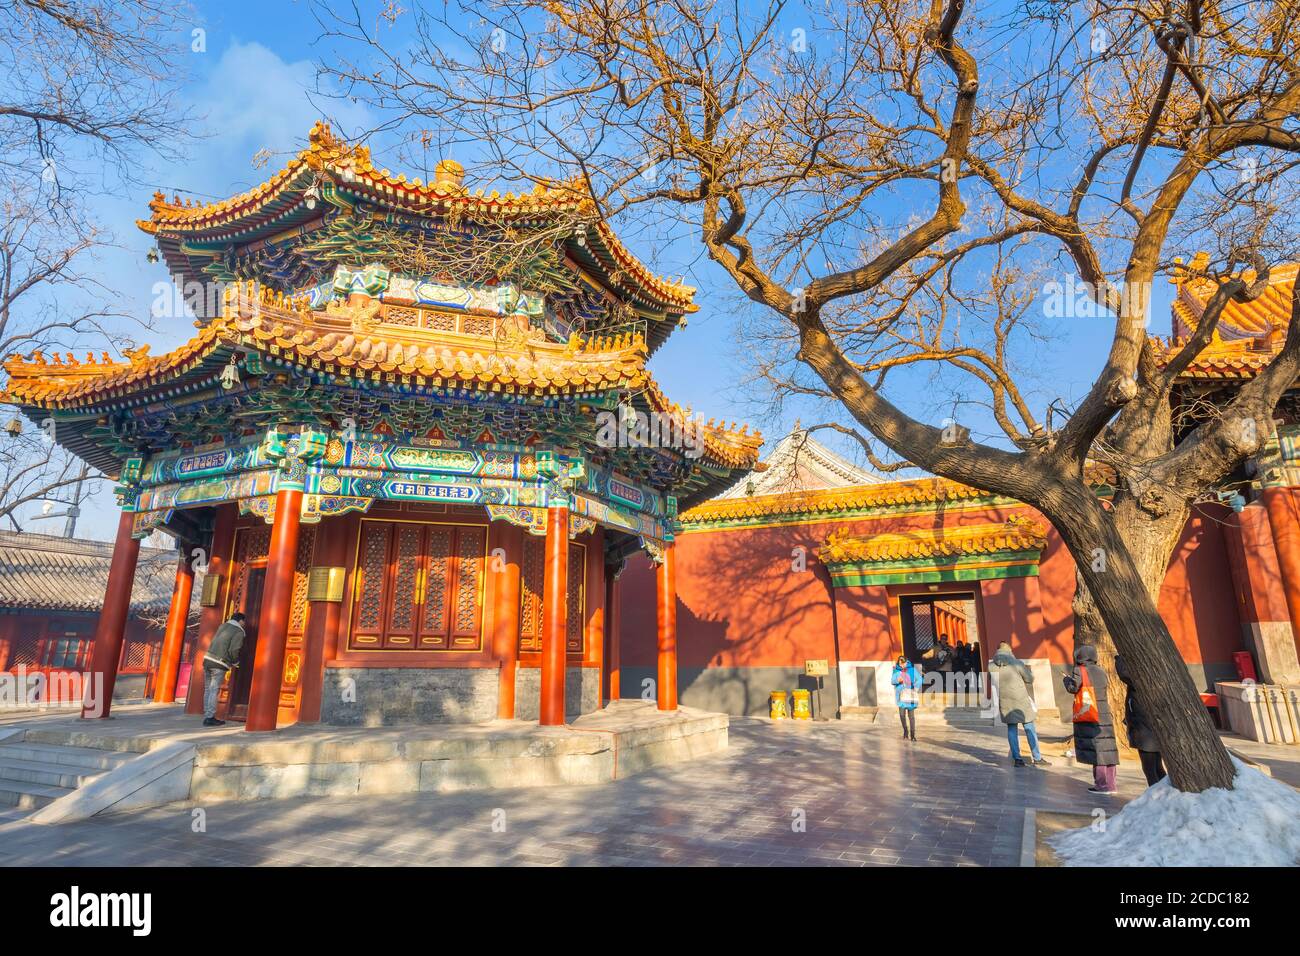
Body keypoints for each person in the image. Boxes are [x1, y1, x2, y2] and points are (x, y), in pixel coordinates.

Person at [1062, 644, 1120, 793]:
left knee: (1097, 751)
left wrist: (1067, 681)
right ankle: (1112, 785)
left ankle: (1101, 785)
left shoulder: (1079, 670)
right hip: (1104, 713)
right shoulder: (1101, 671)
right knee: (1108, 750)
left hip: (1089, 712)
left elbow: (1073, 688)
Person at [988, 641, 1050, 767]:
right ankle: (1037, 758)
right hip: (1021, 700)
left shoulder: (991, 666)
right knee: (1029, 727)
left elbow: (992, 680)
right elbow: (1029, 679)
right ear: (1009, 650)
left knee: (1012, 729)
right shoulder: (1016, 663)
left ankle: (1017, 759)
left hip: (1005, 700)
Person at [1116, 654, 1166, 786]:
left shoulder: (1142, 680)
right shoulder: (1157, 677)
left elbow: (1124, 675)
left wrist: (1121, 658)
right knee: (1157, 766)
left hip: (1144, 729)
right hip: (1151, 728)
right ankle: (1163, 794)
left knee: (1150, 769)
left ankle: (1156, 795)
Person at [201, 612, 246, 726]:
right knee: (214, 690)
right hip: (219, 662)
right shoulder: (239, 631)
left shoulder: (222, 626)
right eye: (244, 621)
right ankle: (210, 717)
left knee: (208, 688)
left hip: (207, 659)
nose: (244, 624)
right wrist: (235, 662)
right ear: (240, 620)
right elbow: (234, 649)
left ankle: (207, 714)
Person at [890, 654, 922, 741]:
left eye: (903, 663)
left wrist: (915, 687)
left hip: (910, 694)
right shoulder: (896, 670)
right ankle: (905, 730)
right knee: (901, 715)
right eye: (900, 664)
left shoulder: (912, 669)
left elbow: (919, 679)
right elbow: (892, 680)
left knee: (911, 716)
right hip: (901, 695)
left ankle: (912, 735)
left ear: (906, 662)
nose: (901, 665)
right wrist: (897, 680)